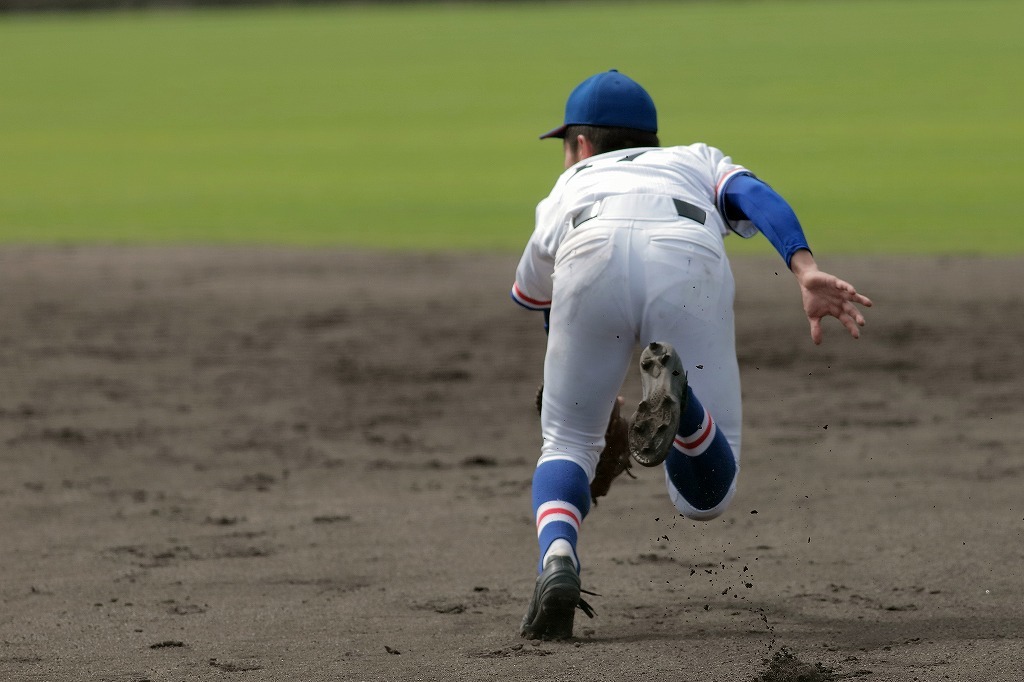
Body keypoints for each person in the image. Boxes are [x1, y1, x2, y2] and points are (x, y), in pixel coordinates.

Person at [510, 69, 872, 640]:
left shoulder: (566, 188)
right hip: (683, 255)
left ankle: (557, 559)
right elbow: (753, 195)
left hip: (586, 255)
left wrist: (585, 401)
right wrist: (804, 268)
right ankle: (686, 407)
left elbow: (542, 300)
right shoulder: (694, 159)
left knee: (567, 443)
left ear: (579, 145)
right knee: (704, 499)